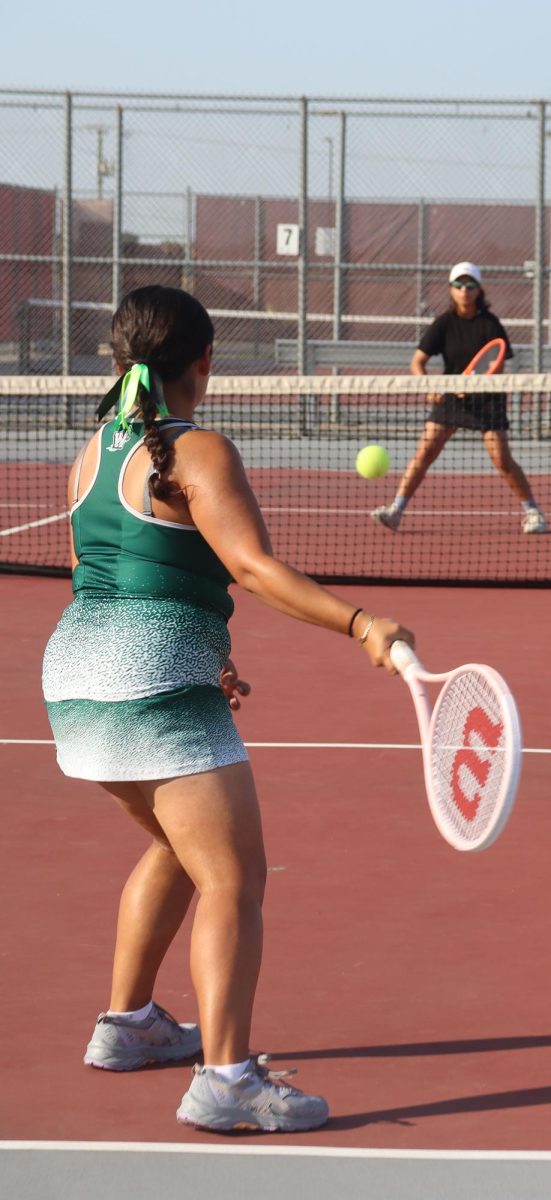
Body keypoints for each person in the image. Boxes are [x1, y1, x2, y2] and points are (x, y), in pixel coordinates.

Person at [42, 285, 415, 1134]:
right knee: (234, 879)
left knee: (181, 847)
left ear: (119, 361)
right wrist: (362, 624)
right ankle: (227, 1080)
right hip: (151, 679)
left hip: (74, 674)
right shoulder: (198, 450)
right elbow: (249, 567)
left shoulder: (94, 451)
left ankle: (129, 1024)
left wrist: (207, 650)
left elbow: (106, 567)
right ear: (203, 363)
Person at [371, 261, 548, 535]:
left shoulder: (491, 325)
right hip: (451, 398)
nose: (464, 290)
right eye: (459, 285)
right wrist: (429, 386)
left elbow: (496, 363)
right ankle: (396, 510)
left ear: (478, 290)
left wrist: (476, 385)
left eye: (470, 285)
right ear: (451, 290)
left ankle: (534, 512)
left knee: (502, 459)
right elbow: (417, 362)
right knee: (425, 452)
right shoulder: (443, 323)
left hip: (487, 401)